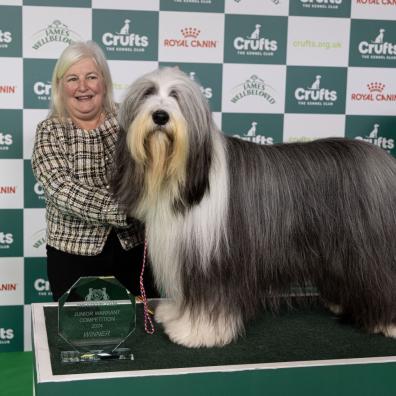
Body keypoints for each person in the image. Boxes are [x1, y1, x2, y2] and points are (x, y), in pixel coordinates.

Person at [31, 40, 158, 301]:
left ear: (104, 82)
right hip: (73, 256)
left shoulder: (130, 120)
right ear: (59, 87)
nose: (83, 87)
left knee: (145, 335)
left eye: (91, 77)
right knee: (82, 337)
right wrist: (130, 208)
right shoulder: (49, 130)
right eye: (72, 79)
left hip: (134, 251)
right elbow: (60, 189)